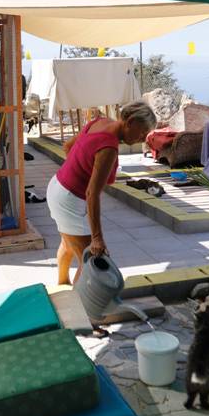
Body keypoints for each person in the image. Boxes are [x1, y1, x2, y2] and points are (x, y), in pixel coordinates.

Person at [47, 101, 157, 285]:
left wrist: (77, 170)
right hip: (69, 198)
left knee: (68, 244)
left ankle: (62, 284)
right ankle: (76, 308)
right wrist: (97, 238)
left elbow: (68, 147)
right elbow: (92, 193)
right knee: (88, 260)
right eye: (142, 131)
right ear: (130, 122)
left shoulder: (99, 121)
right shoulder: (109, 148)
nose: (143, 138)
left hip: (57, 186)